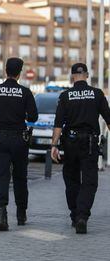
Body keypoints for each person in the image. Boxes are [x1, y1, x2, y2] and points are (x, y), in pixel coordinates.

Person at [51, 63, 110, 234]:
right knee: (89, 181)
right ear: (87, 75)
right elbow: (108, 119)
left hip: (70, 143)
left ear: (72, 76)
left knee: (71, 179)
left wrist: (54, 145)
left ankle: (75, 215)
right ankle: (82, 217)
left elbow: (58, 124)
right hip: (90, 143)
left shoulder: (65, 96)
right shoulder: (97, 94)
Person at [0, 57, 38, 231]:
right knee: (20, 177)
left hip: (0, 139)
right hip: (19, 140)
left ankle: (2, 213)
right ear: (19, 73)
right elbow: (33, 117)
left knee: (1, 177)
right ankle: (21, 214)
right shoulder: (25, 92)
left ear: (5, 71)